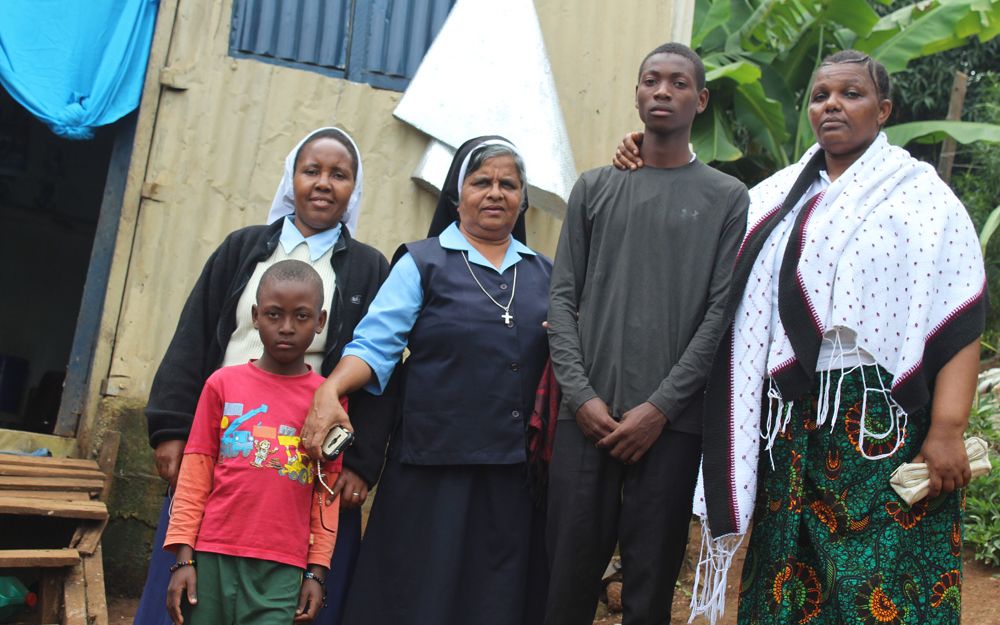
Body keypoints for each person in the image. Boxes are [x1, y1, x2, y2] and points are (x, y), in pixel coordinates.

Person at [615, 50, 985, 625]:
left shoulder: (924, 198)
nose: (832, 104)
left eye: (851, 94)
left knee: (883, 582)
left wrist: (946, 429)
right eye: (820, 95)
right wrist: (644, 152)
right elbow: (701, 213)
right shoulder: (775, 197)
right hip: (788, 426)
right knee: (789, 574)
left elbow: (959, 315)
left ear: (883, 109)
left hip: (881, 425)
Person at [137, 127, 395, 625]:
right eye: (311, 171)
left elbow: (381, 368)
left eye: (338, 175)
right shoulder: (243, 249)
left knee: (298, 597)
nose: (323, 183)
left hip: (308, 462)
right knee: (189, 591)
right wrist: (170, 429)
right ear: (291, 179)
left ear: (353, 189)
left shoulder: (368, 270)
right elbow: (192, 336)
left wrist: (362, 462)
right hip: (225, 444)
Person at [300, 136, 552, 625]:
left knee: (495, 599)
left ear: (523, 199)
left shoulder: (545, 273)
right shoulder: (421, 263)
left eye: (508, 183)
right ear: (458, 196)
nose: (495, 193)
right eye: (481, 182)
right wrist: (330, 389)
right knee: (417, 597)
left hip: (514, 473)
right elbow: (376, 346)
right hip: (432, 464)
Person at [544, 42, 749, 625]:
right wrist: (580, 397)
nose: (663, 91)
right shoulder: (594, 187)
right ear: (636, 94)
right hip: (587, 418)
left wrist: (660, 408)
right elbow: (562, 298)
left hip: (670, 426)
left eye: (679, 83)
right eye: (651, 80)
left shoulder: (727, 197)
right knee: (566, 581)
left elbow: (719, 315)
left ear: (700, 100)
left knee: (651, 585)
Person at [164, 260, 344, 624]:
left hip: (282, 568)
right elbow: (195, 475)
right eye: (274, 315)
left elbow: (326, 495)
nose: (287, 328)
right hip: (212, 555)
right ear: (255, 316)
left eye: (302, 316)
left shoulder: (328, 402)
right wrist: (183, 558)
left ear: (321, 321)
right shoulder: (222, 385)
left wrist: (316, 571)